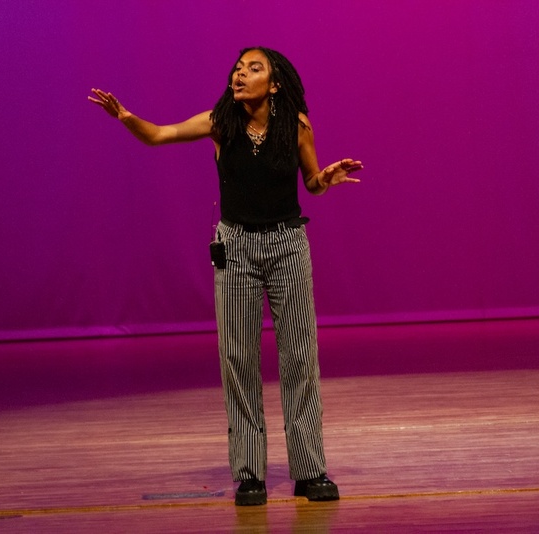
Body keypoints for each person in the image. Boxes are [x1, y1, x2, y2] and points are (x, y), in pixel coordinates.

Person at [89, 47, 362, 506]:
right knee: (238, 361)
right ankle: (251, 471)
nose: (241, 73)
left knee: (300, 358)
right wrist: (125, 116)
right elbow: (159, 135)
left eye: (254, 68)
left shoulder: (295, 124)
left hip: (287, 245)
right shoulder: (221, 122)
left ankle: (310, 468)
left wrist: (326, 179)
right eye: (238, 67)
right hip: (236, 249)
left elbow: (311, 182)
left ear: (274, 84)